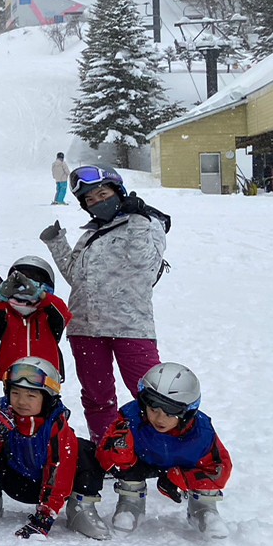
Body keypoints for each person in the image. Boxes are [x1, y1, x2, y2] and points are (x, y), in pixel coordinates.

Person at [40, 165, 169, 440]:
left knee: (153, 397)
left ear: (118, 191)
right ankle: (107, 449)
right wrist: (57, 243)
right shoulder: (90, 235)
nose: (98, 202)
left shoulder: (147, 222)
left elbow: (144, 265)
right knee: (98, 398)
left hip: (130, 326)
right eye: (90, 200)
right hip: (85, 328)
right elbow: (76, 276)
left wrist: (136, 218)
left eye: (103, 193)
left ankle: (161, 452)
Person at [0, 358, 111, 540]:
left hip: (47, 486)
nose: (21, 401)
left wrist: (45, 515)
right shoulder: (2, 417)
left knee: (85, 450)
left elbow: (62, 472)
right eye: (15, 393)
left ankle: (80, 507)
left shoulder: (56, 429)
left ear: (47, 397)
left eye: (31, 396)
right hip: (15, 483)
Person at [96, 362, 231, 538]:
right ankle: (131, 501)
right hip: (141, 461)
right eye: (153, 409)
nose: (159, 419)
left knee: (206, 480)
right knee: (125, 469)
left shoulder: (200, 434)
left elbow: (219, 469)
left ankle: (203, 508)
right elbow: (105, 453)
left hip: (183, 466)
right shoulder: (131, 419)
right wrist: (123, 453)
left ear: (186, 413)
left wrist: (180, 479)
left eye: (169, 414)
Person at [0, 256, 69, 379]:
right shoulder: (7, 313)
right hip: (12, 378)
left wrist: (42, 296)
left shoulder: (48, 314)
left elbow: (63, 313)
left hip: (46, 378)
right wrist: (0, 297)